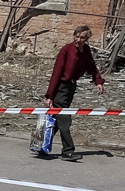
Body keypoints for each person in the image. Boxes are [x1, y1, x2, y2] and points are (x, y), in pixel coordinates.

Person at [36, 24, 104, 162]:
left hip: (70, 88)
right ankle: (68, 151)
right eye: (76, 36)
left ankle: (42, 147)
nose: (78, 39)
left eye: (82, 37)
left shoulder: (85, 51)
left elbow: (91, 66)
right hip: (61, 88)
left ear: (87, 39)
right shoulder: (66, 51)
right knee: (64, 120)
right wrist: (50, 96)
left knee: (56, 120)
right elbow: (56, 73)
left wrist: (98, 81)